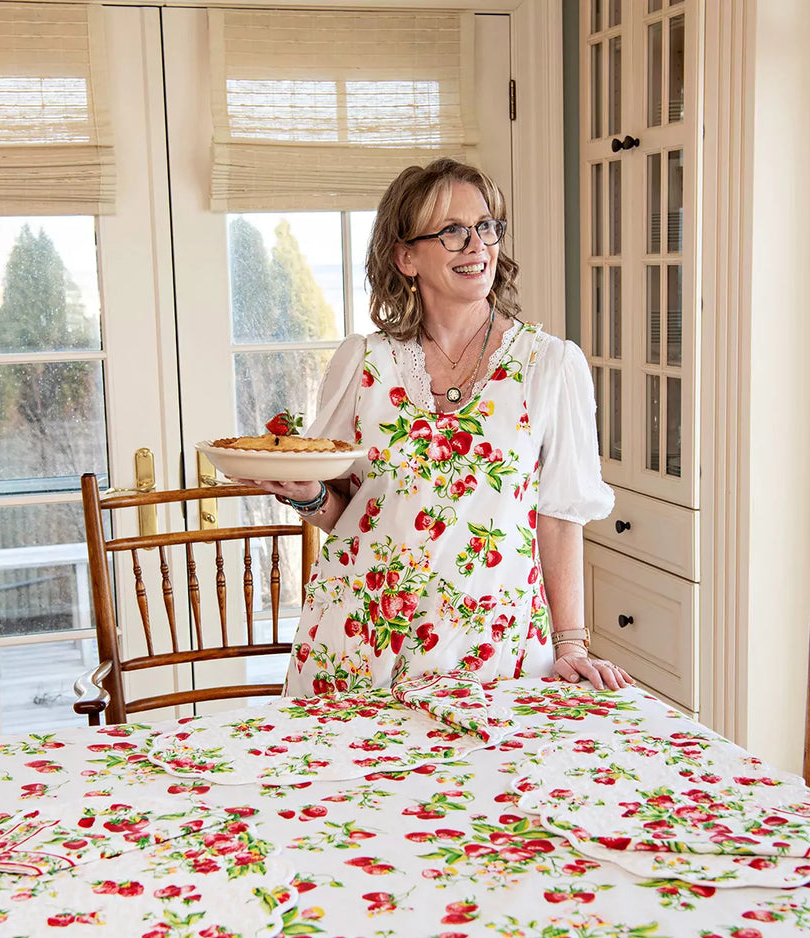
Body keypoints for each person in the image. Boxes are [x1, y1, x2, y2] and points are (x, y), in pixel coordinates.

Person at [243, 158, 630, 696]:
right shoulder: (362, 362)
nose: (477, 245)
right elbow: (349, 513)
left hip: (493, 650)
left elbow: (560, 517)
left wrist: (572, 646)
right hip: (359, 640)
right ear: (406, 257)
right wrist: (309, 496)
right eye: (452, 231)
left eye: (486, 226)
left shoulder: (550, 366)